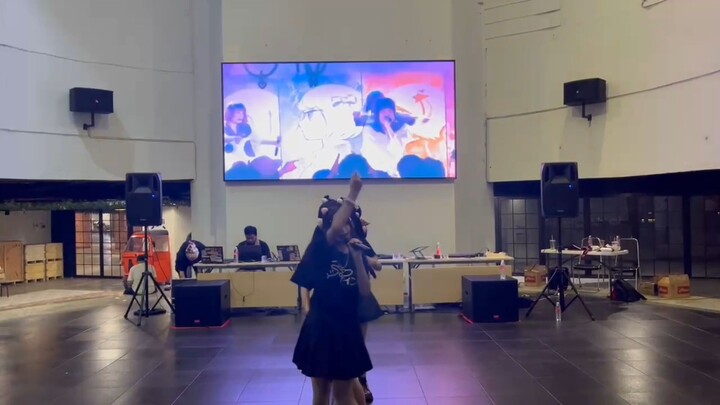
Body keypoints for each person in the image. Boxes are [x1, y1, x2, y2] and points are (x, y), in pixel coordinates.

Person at [292, 174, 373, 405]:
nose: (344, 228)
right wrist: (353, 193)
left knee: (343, 393)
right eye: (340, 224)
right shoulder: (322, 247)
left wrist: (358, 259)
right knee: (321, 392)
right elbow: (335, 227)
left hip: (346, 329)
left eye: (348, 224)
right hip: (321, 327)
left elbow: (364, 291)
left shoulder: (355, 249)